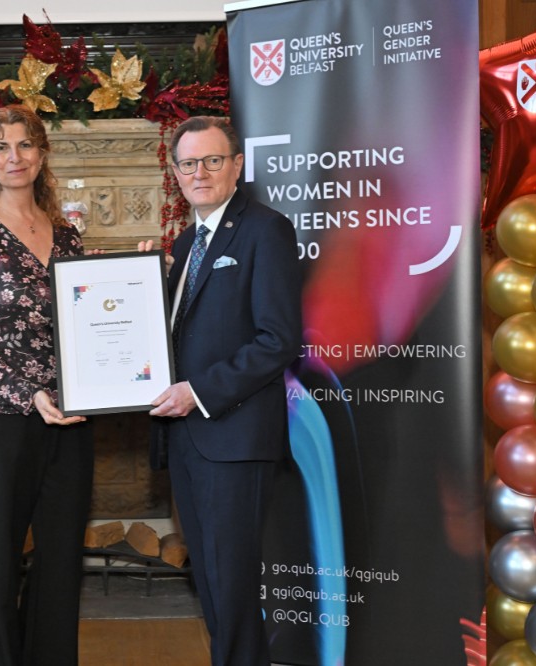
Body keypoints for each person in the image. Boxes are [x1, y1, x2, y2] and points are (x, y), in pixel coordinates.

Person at [142, 116, 303, 666]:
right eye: (188, 163)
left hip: (232, 434)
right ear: (176, 174)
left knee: (231, 582)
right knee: (211, 579)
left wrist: (198, 392)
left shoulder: (265, 229)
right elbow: (184, 332)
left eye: (213, 160)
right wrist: (148, 283)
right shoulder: (187, 243)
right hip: (187, 439)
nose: (200, 172)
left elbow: (277, 339)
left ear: (238, 165)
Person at [0, 105, 94, 666]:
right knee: (1, 563)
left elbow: (87, 321)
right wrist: (31, 390)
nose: (15, 157)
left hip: (72, 417)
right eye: (2, 147)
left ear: (42, 153)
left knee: (60, 561)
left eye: (25, 145)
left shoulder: (69, 237)